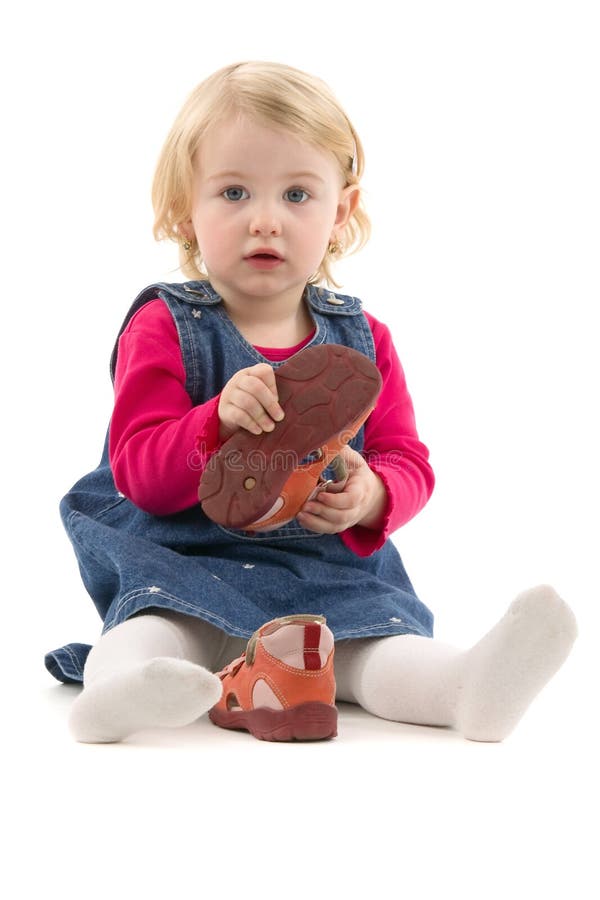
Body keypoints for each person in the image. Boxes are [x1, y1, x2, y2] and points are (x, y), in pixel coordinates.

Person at [46, 60, 577, 744]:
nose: (264, 221)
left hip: (323, 574)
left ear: (340, 212)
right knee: (152, 631)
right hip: (186, 563)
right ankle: (119, 693)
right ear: (186, 206)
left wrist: (374, 494)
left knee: (372, 649)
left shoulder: (363, 340)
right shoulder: (167, 328)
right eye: (234, 192)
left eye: (297, 195)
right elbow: (138, 471)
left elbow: (406, 458)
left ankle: (465, 688)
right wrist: (215, 420)